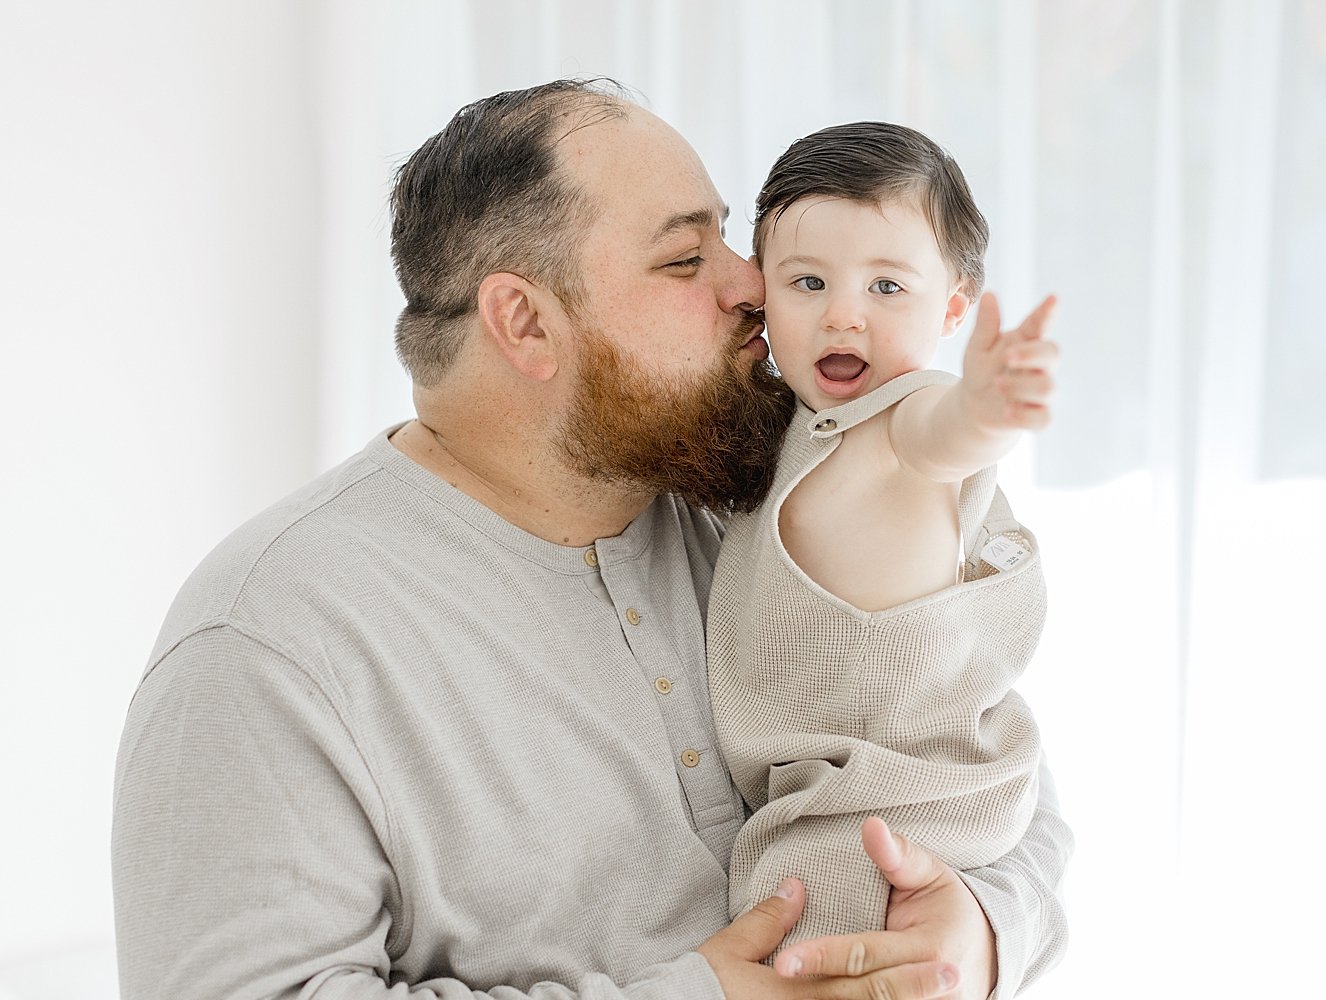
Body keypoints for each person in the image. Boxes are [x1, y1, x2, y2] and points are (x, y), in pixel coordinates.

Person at [111, 80, 1072, 1000]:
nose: (753, 285)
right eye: (686, 259)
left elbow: (982, 760)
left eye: (732, 239)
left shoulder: (750, 491)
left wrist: (974, 933)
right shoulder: (266, 643)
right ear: (525, 322)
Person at [707, 122, 1060, 959]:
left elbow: (946, 436)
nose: (842, 315)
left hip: (887, 814)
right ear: (762, 293)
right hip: (830, 797)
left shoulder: (904, 419)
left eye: (887, 288)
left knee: (813, 949)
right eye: (807, 281)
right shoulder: (790, 422)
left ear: (952, 307)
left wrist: (987, 407)